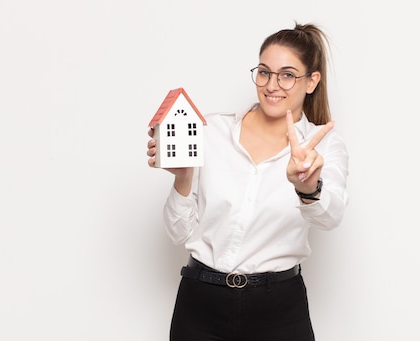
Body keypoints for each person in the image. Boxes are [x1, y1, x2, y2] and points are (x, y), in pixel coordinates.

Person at [147, 22, 349, 341]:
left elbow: (332, 216)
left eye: (287, 74)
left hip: (279, 309)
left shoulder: (322, 146)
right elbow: (178, 233)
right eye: (264, 72)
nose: (272, 85)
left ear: (312, 81)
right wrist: (183, 178)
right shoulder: (210, 132)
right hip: (200, 302)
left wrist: (309, 188)